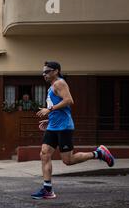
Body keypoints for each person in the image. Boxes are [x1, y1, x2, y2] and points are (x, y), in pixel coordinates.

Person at [32, 61, 115, 200]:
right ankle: (47, 189)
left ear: (56, 71)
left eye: (47, 71)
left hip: (64, 127)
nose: (44, 74)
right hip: (53, 126)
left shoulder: (60, 83)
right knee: (44, 154)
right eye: (43, 71)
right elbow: (59, 106)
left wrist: (49, 110)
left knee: (68, 160)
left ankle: (99, 153)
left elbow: (69, 100)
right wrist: (49, 119)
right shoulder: (51, 87)